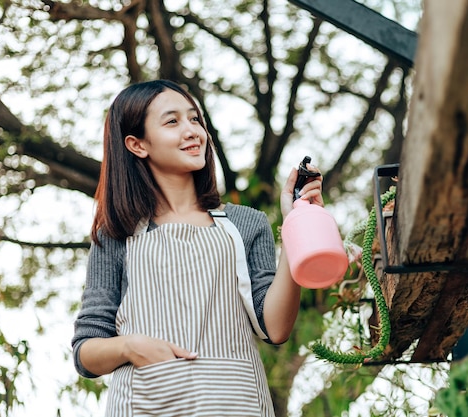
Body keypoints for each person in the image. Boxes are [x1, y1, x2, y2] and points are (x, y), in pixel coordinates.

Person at [71, 79, 324, 416]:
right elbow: (86, 352)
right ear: (137, 144)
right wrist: (131, 346)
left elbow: (274, 328)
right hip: (146, 404)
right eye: (172, 121)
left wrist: (295, 225)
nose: (192, 131)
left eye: (195, 119)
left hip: (237, 405)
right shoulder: (116, 234)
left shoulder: (247, 223)